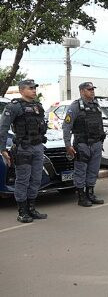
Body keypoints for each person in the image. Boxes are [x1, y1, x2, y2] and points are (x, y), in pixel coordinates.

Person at [0, 79, 48, 222]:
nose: (34, 90)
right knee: (23, 180)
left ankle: (32, 209)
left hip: (38, 147)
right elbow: (3, 128)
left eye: (35, 88)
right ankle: (22, 212)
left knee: (36, 179)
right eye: (31, 88)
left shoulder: (38, 106)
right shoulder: (14, 106)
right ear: (22, 90)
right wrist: (2, 149)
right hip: (23, 148)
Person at [63, 82, 105, 207]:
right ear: (82, 91)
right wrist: (67, 145)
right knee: (81, 171)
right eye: (89, 89)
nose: (92, 91)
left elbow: (100, 124)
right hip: (82, 144)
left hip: (96, 143)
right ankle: (81, 196)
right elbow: (67, 126)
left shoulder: (96, 105)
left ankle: (90, 194)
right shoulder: (75, 106)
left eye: (93, 89)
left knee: (93, 170)